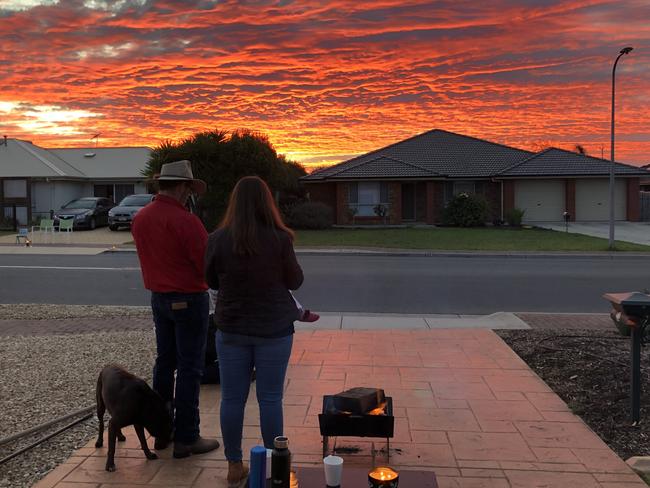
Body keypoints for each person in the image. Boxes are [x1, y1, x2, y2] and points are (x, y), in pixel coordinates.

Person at [204, 176, 304, 488]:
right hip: (274, 328)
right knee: (270, 398)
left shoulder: (218, 239)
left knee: (231, 399)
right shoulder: (279, 238)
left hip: (231, 328)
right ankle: (275, 465)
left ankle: (235, 464)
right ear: (267, 203)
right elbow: (295, 281)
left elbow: (211, 280)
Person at [131, 160, 220, 459]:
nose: (189, 195)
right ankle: (187, 436)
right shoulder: (186, 221)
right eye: (188, 189)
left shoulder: (141, 217)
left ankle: (161, 431)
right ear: (183, 187)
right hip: (189, 299)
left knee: (165, 362)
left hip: (159, 298)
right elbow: (206, 265)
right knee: (190, 368)